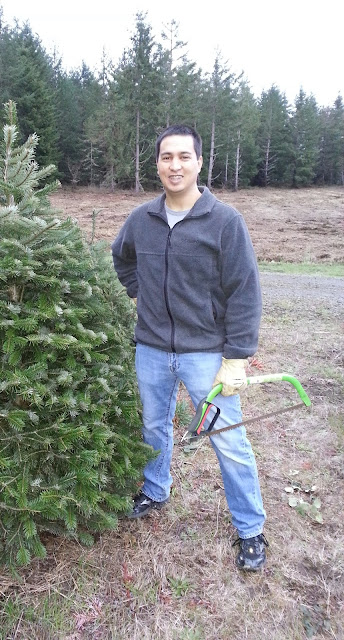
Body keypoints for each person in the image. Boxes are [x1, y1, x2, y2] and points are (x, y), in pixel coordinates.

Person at [111, 124, 268, 571]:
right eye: (166, 157)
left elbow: (245, 292)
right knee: (153, 426)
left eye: (183, 156)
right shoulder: (142, 219)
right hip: (151, 349)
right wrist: (139, 292)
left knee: (228, 439)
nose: (174, 165)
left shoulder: (225, 222)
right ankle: (155, 489)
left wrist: (235, 359)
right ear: (157, 164)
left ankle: (250, 529)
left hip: (205, 355)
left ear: (199, 162)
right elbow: (121, 256)